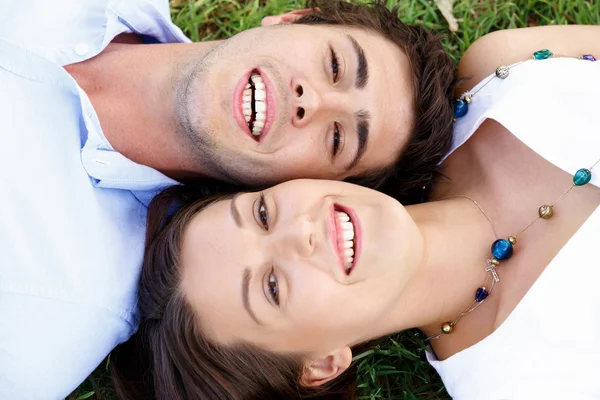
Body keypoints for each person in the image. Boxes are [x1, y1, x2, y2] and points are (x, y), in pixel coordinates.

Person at [110, 26, 600, 399]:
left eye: (262, 214)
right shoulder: (522, 383)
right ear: (321, 364)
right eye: (272, 287)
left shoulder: (501, 73)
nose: (300, 232)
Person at [0, 0, 457, 398]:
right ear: (291, 20)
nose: (310, 101)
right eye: (335, 65)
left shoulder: (55, 316)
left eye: (337, 139)